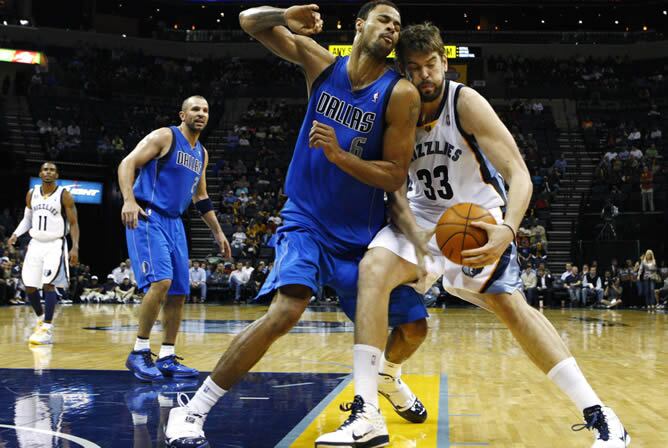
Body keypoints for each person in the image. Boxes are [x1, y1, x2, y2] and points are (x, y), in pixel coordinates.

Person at [318, 23, 629, 447]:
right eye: (415, 68)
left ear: (445, 64)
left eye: (432, 65)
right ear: (403, 73)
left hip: (475, 217)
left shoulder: (464, 103)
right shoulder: (395, 109)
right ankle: (367, 411)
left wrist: (507, 230)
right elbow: (391, 182)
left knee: (511, 307)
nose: (425, 75)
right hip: (422, 221)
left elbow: (520, 175)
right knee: (372, 269)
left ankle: (601, 415)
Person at [165, 2, 423, 446]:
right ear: (361, 25)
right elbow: (248, 22)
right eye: (384, 20)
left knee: (415, 329)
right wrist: (283, 15)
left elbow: (396, 174)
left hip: (361, 234)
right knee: (286, 310)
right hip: (306, 218)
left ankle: (386, 379)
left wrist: (341, 155)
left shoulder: (400, 93)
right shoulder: (322, 65)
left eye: (398, 26)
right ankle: (193, 410)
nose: (392, 29)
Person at [118, 95, 231, 382]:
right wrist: (129, 200)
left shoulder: (201, 153)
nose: (201, 114)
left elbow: (201, 197)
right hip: (148, 215)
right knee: (161, 282)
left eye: (206, 110)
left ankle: (167, 355)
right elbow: (127, 163)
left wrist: (217, 231)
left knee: (179, 292)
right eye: (195, 109)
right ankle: (139, 352)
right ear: (182, 114)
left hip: (175, 223)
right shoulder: (165, 136)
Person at [8, 162, 80, 345]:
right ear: (40, 173)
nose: (48, 172)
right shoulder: (32, 194)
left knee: (49, 284)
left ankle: (47, 329)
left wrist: (75, 247)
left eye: (52, 170)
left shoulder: (64, 195)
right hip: (36, 243)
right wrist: (16, 234)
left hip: (55, 244)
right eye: (45, 169)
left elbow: (73, 223)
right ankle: (40, 319)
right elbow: (27, 219)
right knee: (29, 285)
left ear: (57, 175)